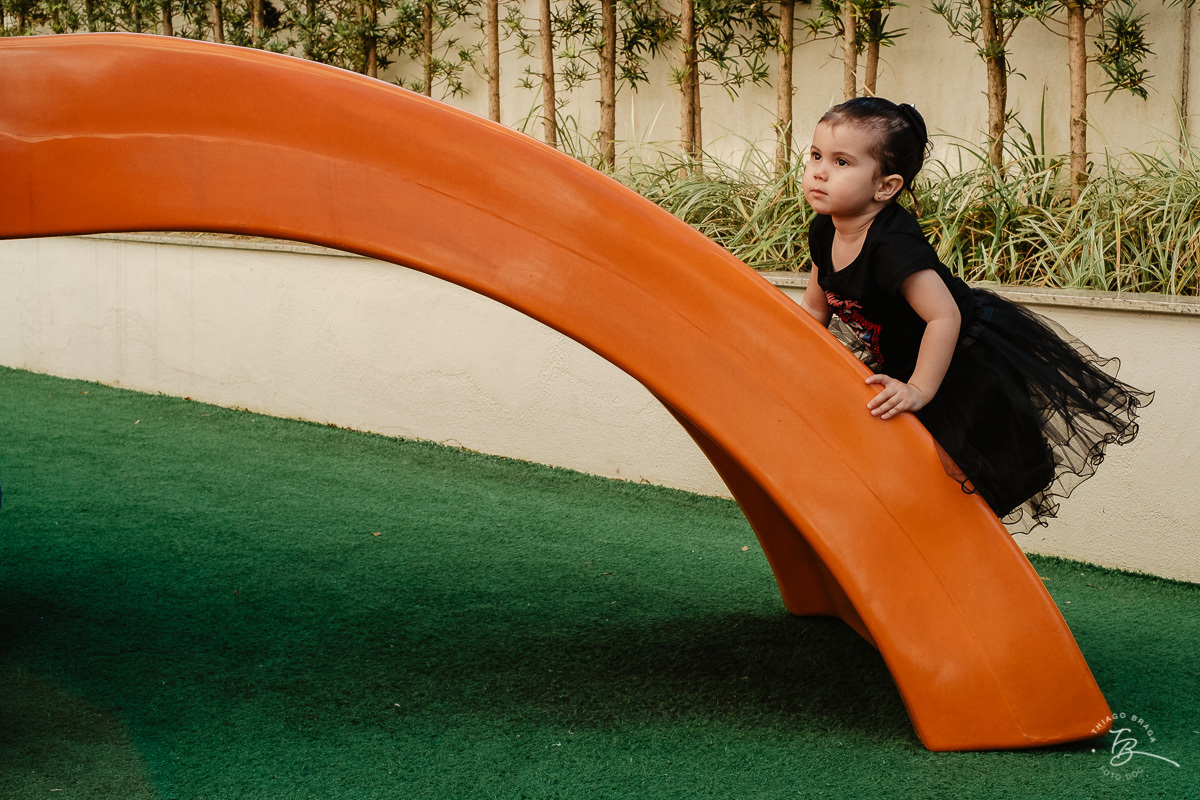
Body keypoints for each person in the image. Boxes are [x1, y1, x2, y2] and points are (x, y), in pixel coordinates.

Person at [798, 96, 1151, 533]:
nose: (819, 170)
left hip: (962, 360)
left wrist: (919, 390)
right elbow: (816, 307)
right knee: (892, 463)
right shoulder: (824, 228)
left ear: (885, 187)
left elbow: (943, 317)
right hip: (903, 358)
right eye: (815, 155)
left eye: (841, 161)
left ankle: (962, 550)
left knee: (955, 470)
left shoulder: (892, 247)